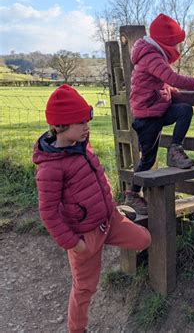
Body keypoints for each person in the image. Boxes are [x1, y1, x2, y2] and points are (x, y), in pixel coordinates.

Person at [32, 84, 151, 333]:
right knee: (85, 287)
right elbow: (49, 213)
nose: (87, 127)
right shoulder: (50, 169)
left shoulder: (82, 145)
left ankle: (109, 238)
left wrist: (112, 211)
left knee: (144, 238)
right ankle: (77, 329)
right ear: (60, 126)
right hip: (85, 235)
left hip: (109, 218)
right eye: (81, 122)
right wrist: (76, 245)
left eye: (88, 120)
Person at [123, 13, 194, 215]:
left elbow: (161, 85)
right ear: (166, 42)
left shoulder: (153, 55)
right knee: (147, 159)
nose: (178, 49)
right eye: (176, 43)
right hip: (147, 116)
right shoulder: (150, 56)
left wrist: (176, 95)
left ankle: (174, 150)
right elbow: (171, 78)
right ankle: (132, 195)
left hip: (157, 110)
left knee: (184, 110)